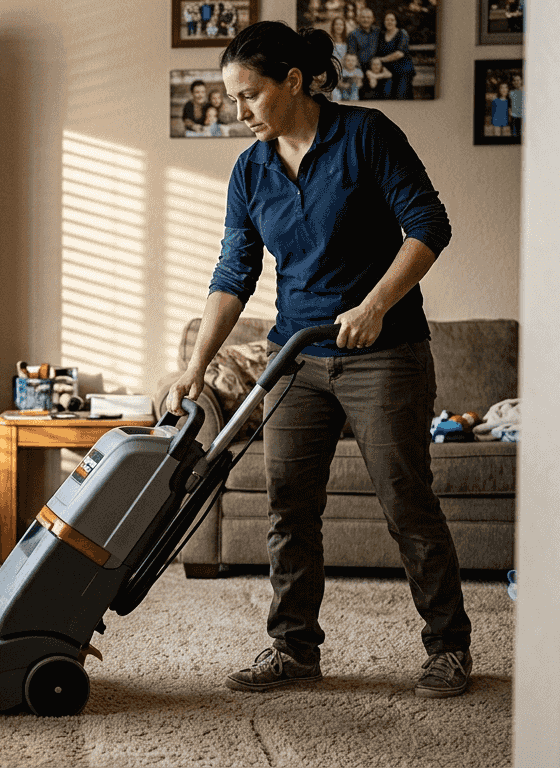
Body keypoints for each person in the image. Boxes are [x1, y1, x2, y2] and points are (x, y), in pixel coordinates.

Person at [165, 20, 473, 699]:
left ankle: (449, 647)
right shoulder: (250, 170)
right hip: (296, 357)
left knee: (406, 501)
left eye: (250, 95)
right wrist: (194, 366)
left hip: (383, 353)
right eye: (232, 99)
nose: (239, 112)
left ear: (294, 81)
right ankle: (294, 649)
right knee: (289, 506)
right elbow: (233, 274)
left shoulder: (366, 135)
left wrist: (375, 305)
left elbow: (429, 224)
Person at [374, 12, 415, 98]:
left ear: (396, 22)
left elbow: (399, 54)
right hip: (388, 71)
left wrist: (382, 60)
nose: (389, 22)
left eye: (392, 20)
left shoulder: (402, 33)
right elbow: (378, 53)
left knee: (400, 96)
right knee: (386, 94)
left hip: (403, 71)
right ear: (384, 22)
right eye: (387, 20)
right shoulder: (381, 35)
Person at [346, 6, 382, 73]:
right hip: (360, 70)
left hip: (377, 69)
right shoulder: (353, 35)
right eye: (363, 17)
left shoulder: (377, 31)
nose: (366, 20)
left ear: (372, 19)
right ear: (358, 19)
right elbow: (352, 56)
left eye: (368, 17)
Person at [508, 74, 524, 139]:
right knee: (515, 135)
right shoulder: (511, 92)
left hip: (523, 117)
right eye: (514, 80)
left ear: (521, 81)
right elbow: (509, 105)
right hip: (514, 118)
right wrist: (510, 113)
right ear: (512, 82)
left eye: (518, 80)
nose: (516, 82)